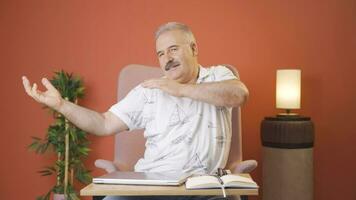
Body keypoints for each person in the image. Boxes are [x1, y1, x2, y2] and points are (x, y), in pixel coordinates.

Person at [22, 22, 249, 200]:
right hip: (149, 189)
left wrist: (180, 90)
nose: (167, 59)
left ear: (194, 48)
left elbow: (239, 95)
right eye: (160, 54)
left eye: (173, 49)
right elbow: (103, 123)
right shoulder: (149, 90)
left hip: (204, 191)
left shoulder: (219, 75)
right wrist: (62, 105)